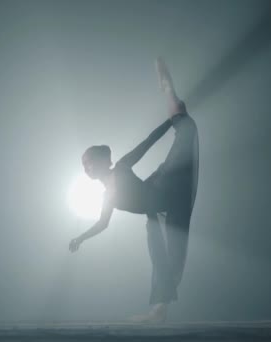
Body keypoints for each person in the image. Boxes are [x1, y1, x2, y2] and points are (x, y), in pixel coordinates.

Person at [69, 57, 199, 323]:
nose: (86, 168)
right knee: (164, 260)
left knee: (186, 131)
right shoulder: (107, 197)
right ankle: (158, 311)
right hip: (159, 211)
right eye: (83, 166)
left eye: (88, 162)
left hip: (165, 182)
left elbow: (147, 143)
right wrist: (80, 238)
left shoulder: (122, 166)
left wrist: (173, 121)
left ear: (103, 161)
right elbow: (102, 225)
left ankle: (168, 92)